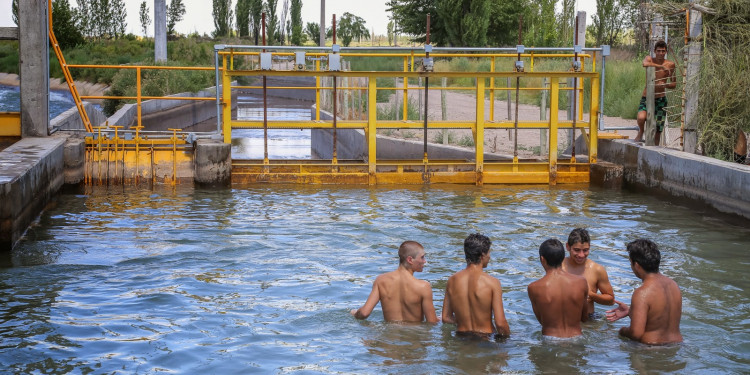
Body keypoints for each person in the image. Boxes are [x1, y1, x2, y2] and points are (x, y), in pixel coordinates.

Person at [606, 239, 683, 345]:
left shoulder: (642, 292)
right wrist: (630, 312)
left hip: (650, 350)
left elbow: (636, 334)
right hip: (677, 346)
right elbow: (659, 317)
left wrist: (622, 331)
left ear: (636, 265)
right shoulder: (673, 285)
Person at [350, 240, 439, 323]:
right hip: (413, 338)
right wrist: (440, 318)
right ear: (410, 260)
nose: (425, 261)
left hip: (389, 338)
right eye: (422, 257)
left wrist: (355, 313)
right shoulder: (423, 286)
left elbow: (364, 313)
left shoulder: (381, 280)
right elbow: (432, 322)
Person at [442, 233, 510, 339]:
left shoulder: (452, 280)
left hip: (461, 337)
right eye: (489, 252)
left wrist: (463, 321)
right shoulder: (492, 282)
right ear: (482, 255)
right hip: (485, 338)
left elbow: (446, 318)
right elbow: (500, 323)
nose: (490, 256)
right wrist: (507, 339)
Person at [528, 238, 589, 338]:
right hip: (577, 337)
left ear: (542, 259)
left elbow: (542, 321)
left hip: (550, 339)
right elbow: (584, 317)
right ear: (563, 257)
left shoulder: (534, 287)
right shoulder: (581, 282)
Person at [561, 228, 615, 316]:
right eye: (577, 250)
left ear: (589, 247)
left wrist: (591, 295)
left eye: (585, 250)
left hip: (589, 319)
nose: (581, 255)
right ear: (568, 247)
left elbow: (611, 300)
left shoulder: (597, 269)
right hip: (564, 318)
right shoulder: (559, 266)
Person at [635, 40, 676, 145]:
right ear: (654, 51)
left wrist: (665, 85)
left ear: (666, 52)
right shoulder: (649, 59)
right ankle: (641, 131)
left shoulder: (670, 64)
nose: (660, 53)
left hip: (660, 98)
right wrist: (661, 67)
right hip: (647, 97)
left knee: (658, 130)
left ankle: (655, 150)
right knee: (641, 117)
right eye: (658, 51)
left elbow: (673, 84)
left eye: (663, 51)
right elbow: (644, 63)